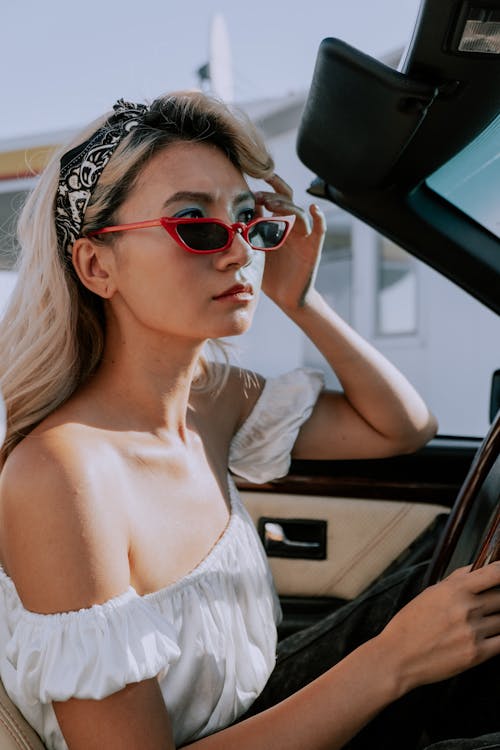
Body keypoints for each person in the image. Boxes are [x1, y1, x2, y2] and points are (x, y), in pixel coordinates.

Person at [0, 91, 498, 750]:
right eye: (195, 224)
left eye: (249, 222)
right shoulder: (63, 477)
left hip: (265, 703)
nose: (239, 252)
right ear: (98, 265)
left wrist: (303, 301)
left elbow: (401, 428)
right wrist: (395, 661)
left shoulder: (212, 399)